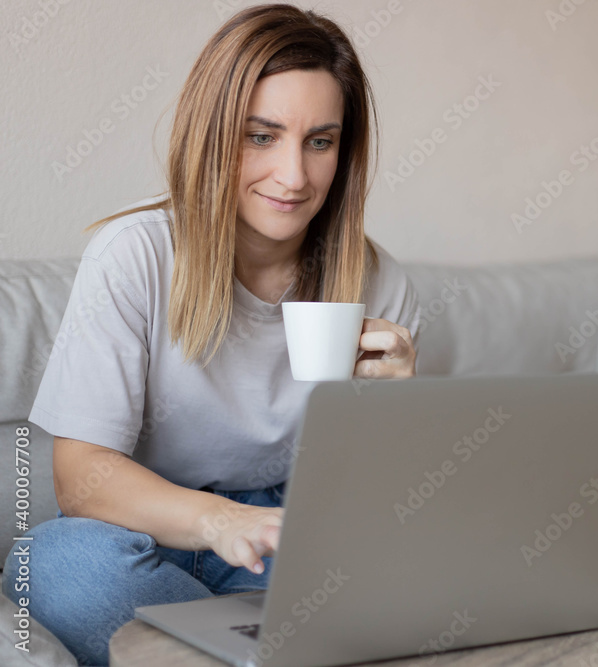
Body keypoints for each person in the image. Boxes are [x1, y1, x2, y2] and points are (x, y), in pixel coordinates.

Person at [1, 5, 421, 665]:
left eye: (320, 141)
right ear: (214, 132)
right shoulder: (134, 256)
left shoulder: (378, 280)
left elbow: (370, 514)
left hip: (281, 538)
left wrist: (399, 412)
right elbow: (80, 481)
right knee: (60, 567)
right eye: (261, 135)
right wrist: (217, 519)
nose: (293, 176)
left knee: (395, 582)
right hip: (142, 529)